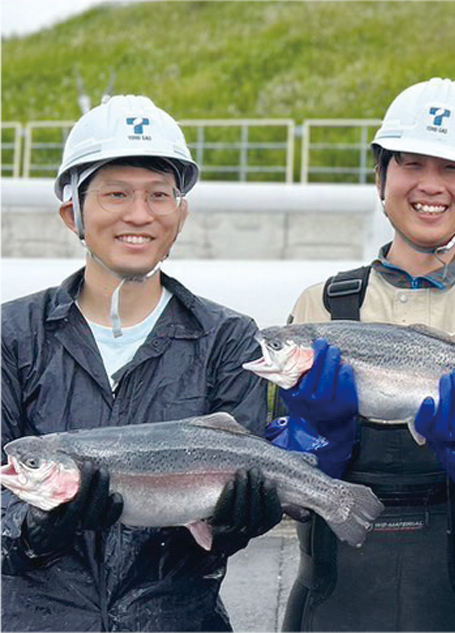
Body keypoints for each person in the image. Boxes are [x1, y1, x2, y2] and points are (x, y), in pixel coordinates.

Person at [271, 77, 455, 633]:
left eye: (452, 169)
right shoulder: (319, 307)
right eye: (411, 165)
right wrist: (316, 435)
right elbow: (280, 486)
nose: (431, 186)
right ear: (381, 177)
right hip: (332, 604)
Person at [0, 95, 276, 633]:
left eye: (158, 195)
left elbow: (225, 516)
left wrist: (237, 523)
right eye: (116, 194)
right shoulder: (11, 337)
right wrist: (35, 524)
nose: (139, 215)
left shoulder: (228, 338)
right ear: (72, 213)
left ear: (181, 212)